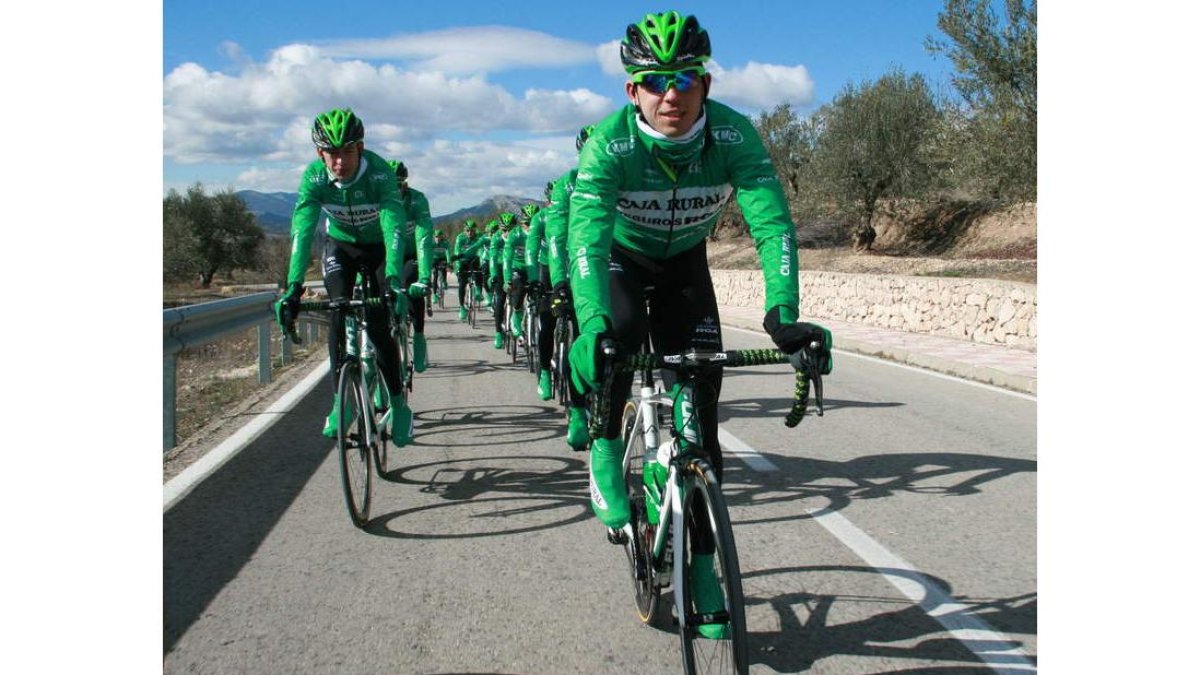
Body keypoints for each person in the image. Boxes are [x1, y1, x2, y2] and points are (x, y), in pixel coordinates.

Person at [566, 10, 828, 638]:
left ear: (705, 85)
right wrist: (592, 322)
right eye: (655, 82)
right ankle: (605, 446)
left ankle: (703, 570)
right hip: (623, 265)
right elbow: (587, 239)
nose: (671, 95)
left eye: (684, 80)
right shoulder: (610, 144)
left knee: (702, 427)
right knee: (614, 348)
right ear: (633, 90)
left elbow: (771, 226)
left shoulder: (735, 136)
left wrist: (783, 314)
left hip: (686, 265)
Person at [276, 107, 414, 444]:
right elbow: (303, 230)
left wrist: (394, 278)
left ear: (361, 148)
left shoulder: (379, 173)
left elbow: (394, 225)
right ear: (319, 153)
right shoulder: (314, 178)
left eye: (347, 152)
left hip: (380, 249)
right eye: (332, 154)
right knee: (338, 311)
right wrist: (293, 286)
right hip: (341, 247)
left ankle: (398, 404)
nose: (340, 162)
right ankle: (342, 403)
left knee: (379, 324)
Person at [541, 127, 596, 450]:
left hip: (612, 261)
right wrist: (559, 281)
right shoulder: (568, 184)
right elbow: (556, 237)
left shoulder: (621, 173)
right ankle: (577, 409)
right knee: (569, 330)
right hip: (572, 264)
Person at [388, 160, 434, 373]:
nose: (394, 190)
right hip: (387, 254)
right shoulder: (379, 201)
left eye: (397, 184)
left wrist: (424, 278)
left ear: (404, 184)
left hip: (412, 254)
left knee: (411, 283)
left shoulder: (416, 200)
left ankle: (418, 335)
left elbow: (424, 239)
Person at [488, 212, 518, 349]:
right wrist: (493, 275)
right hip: (500, 268)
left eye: (510, 229)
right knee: (501, 297)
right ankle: (498, 333)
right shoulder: (496, 238)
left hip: (516, 266)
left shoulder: (518, 236)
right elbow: (493, 259)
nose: (507, 233)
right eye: (504, 230)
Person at [451, 220, 487, 321]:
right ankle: (462, 307)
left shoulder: (479, 237)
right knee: (462, 284)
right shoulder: (460, 238)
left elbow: (481, 250)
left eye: (472, 230)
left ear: (475, 230)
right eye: (467, 230)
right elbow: (457, 252)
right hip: (462, 261)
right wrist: (458, 268)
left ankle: (478, 291)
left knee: (478, 273)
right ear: (464, 230)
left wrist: (482, 261)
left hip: (475, 260)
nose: (470, 233)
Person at [431, 229, 452, 305]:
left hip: (442, 259)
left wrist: (449, 262)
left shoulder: (445, 243)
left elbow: (448, 253)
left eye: (439, 237)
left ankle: (444, 281)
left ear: (441, 237)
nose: (438, 238)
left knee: (443, 270)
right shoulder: (432, 244)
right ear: (434, 237)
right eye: (436, 237)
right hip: (434, 259)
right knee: (435, 275)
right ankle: (434, 294)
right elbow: (429, 253)